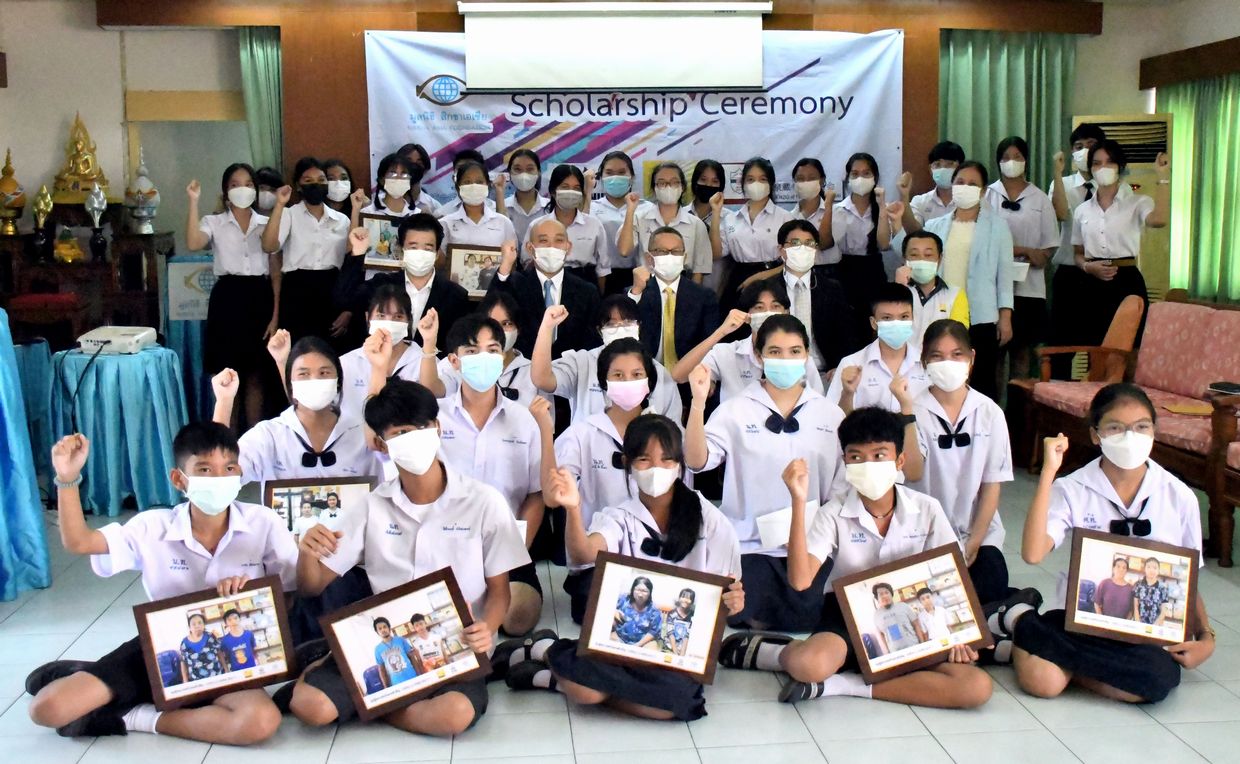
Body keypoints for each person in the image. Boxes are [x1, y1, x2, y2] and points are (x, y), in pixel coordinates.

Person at [286, 379, 529, 735]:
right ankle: (362, 685)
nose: (412, 438)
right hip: (381, 645)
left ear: (437, 428)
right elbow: (312, 586)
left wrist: (488, 627)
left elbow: (499, 591)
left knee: (454, 715)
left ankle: (371, 703)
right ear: (383, 444)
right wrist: (307, 553)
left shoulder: (484, 501)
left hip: (455, 645)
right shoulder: (371, 507)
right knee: (310, 707)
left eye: (421, 428)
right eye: (400, 433)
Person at [26, 424, 296, 742]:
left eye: (229, 468)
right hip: (161, 650)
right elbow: (80, 542)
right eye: (204, 469)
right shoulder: (153, 527)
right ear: (179, 479)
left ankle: (132, 715)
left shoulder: (264, 522)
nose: (219, 478)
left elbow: (290, 595)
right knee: (47, 709)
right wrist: (67, 478)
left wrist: (248, 594)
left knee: (260, 722)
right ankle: (96, 680)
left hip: (227, 661)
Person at [720, 408, 991, 707]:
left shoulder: (927, 508)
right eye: (857, 457)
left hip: (911, 614)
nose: (868, 465)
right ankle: (774, 652)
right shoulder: (832, 512)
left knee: (975, 687)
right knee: (809, 665)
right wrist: (798, 501)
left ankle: (837, 685)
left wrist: (961, 635)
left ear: (899, 461)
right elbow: (800, 581)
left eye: (879, 455)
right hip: (847, 614)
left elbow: (951, 575)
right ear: (845, 462)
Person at [504, 413, 744, 721]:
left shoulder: (710, 520)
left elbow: (726, 593)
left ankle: (551, 674)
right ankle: (550, 654)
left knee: (676, 704)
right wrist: (574, 509)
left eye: (667, 459)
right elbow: (584, 554)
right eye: (644, 459)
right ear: (627, 463)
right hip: (622, 644)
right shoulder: (621, 516)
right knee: (588, 692)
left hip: (674, 651)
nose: (656, 469)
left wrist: (733, 601)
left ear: (680, 465)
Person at [994, 383, 1213, 703]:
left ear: (1154, 430)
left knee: (1155, 680)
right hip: (1079, 623)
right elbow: (1032, 553)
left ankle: (1048, 651)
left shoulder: (1179, 496)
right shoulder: (1074, 487)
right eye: (1115, 428)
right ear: (1095, 435)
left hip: (1141, 633)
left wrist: (1206, 636)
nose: (1130, 437)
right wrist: (1048, 474)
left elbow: (1189, 578)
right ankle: (1025, 622)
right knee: (1043, 684)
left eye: (1141, 427)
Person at [684, 315, 860, 631]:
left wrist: (818, 536)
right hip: (751, 543)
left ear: (807, 354)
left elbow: (839, 489)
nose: (785, 359)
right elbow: (697, 462)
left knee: (810, 616)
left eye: (795, 351)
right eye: (775, 352)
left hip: (810, 544)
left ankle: (766, 647)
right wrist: (697, 405)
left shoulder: (829, 414)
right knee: (739, 611)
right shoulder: (736, 409)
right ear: (759, 355)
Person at [393, 313, 545, 635]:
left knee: (518, 616)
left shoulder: (524, 421)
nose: (484, 358)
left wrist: (517, 550)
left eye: (492, 350)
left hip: (503, 543)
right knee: (436, 619)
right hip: (444, 542)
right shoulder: (434, 419)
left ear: (502, 358)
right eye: (472, 351)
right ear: (454, 361)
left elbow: (535, 495)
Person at [542, 340, 671, 622]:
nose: (627, 382)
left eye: (636, 375)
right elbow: (552, 497)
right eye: (618, 375)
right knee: (602, 616)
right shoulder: (582, 433)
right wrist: (544, 431)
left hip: (656, 558)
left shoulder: (666, 433)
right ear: (604, 382)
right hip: (597, 556)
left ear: (649, 382)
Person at [906, 319, 1013, 605]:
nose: (947, 364)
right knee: (931, 601)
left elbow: (992, 484)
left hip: (978, 530)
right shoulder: (913, 410)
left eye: (957, 355)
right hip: (924, 533)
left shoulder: (990, 412)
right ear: (924, 362)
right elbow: (912, 473)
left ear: (972, 358)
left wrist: (975, 541)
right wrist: (905, 415)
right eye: (937, 356)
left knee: (989, 589)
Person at [893, 161, 1013, 400]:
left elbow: (1005, 274)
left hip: (981, 315)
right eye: (960, 182)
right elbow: (910, 251)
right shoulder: (936, 224)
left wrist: (1005, 317)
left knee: (981, 380)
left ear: (983, 190)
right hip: (943, 311)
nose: (965, 187)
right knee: (940, 379)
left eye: (972, 184)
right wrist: (902, 205)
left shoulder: (998, 227)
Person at [213, 336, 383, 489]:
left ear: (338, 381)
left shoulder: (361, 435)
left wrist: (379, 368)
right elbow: (221, 478)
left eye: (324, 373)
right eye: (304, 374)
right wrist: (224, 402)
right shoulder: (268, 435)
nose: (314, 380)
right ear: (290, 384)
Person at [186, 163, 279, 431]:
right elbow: (193, 243)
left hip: (259, 297)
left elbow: (275, 272)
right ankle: (228, 439)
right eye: (235, 184)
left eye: (248, 184)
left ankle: (254, 439)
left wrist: (274, 316)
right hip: (227, 299)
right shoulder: (214, 222)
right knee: (228, 376)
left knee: (256, 376)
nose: (243, 189)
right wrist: (193, 201)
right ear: (226, 191)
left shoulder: (266, 223)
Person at [1065, 141, 1170, 351]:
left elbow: (1158, 220)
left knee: (1129, 346)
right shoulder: (1082, 210)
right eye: (1097, 163)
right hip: (1092, 281)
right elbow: (1077, 253)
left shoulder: (1137, 202)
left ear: (1120, 167)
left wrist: (1163, 177)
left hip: (1126, 280)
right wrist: (1087, 267)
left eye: (1109, 162)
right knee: (1094, 347)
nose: (1103, 168)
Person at [532, 297, 682, 423]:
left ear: (639, 326)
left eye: (628, 322)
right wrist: (547, 328)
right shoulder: (582, 362)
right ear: (600, 330)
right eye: (611, 324)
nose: (620, 328)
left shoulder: (658, 372)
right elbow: (541, 379)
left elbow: (673, 432)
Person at [672, 279, 825, 401]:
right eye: (759, 307)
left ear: (786, 312)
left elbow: (818, 404)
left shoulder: (798, 357)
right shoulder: (727, 353)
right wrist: (720, 332)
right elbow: (678, 375)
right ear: (747, 314)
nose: (768, 313)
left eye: (775, 306)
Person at [337, 213, 470, 353]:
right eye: (413, 247)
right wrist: (357, 254)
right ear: (401, 250)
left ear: (436, 254)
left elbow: (458, 344)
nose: (420, 254)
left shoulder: (456, 295)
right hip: (382, 362)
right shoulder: (381, 285)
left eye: (428, 249)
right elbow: (343, 299)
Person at [260, 157, 353, 348]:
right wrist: (279, 205)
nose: (315, 185)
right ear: (298, 185)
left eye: (321, 180)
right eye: (308, 181)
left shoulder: (342, 220)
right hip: (297, 290)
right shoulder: (289, 214)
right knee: (298, 351)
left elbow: (351, 260)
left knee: (331, 351)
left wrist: (347, 308)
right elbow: (269, 246)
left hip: (332, 289)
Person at [987, 136, 1059, 380]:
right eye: (1006, 157)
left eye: (1017, 157)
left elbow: (1045, 252)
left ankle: (1019, 405)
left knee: (1022, 356)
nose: (1011, 162)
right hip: (993, 288)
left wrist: (1030, 253)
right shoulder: (988, 195)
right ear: (998, 162)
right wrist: (1024, 250)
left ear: (1026, 160)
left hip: (1029, 290)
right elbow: (983, 244)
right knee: (994, 357)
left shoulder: (1039, 198)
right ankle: (993, 404)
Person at [323, 285, 441, 422]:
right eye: (381, 316)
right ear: (368, 318)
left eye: (398, 317)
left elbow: (435, 401)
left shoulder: (426, 360)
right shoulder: (345, 363)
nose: (389, 323)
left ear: (409, 321)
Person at [489, 220, 602, 358]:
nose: (551, 247)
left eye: (559, 240)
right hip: (523, 366)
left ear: (568, 247)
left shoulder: (587, 291)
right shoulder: (515, 285)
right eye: (543, 241)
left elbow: (592, 342)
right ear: (530, 248)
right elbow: (489, 315)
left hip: (572, 368)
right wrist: (505, 266)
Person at [827, 282, 930, 414]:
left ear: (913, 318)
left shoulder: (927, 364)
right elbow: (834, 418)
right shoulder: (851, 363)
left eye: (904, 317)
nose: (896, 324)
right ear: (873, 323)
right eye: (887, 318)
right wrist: (847, 394)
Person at [628, 226, 720, 371]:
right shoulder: (638, 292)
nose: (670, 256)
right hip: (645, 372)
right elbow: (626, 331)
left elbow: (711, 343)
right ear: (649, 258)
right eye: (662, 251)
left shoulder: (704, 297)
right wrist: (636, 292)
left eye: (676, 251)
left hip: (689, 373)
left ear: (685, 257)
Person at [617, 162, 715, 290]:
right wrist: (630, 210)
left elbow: (699, 271)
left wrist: (692, 296)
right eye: (662, 183)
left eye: (674, 182)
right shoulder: (639, 218)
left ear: (683, 187)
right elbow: (624, 251)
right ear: (654, 188)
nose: (668, 187)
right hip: (647, 284)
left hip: (683, 285)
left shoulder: (696, 224)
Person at [824, 152, 893, 315]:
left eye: (866, 173)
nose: (860, 179)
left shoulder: (884, 208)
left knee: (873, 319)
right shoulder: (838, 210)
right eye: (855, 174)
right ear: (848, 178)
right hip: (844, 270)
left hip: (874, 271)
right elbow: (826, 244)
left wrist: (882, 206)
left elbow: (883, 244)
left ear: (875, 177)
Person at [720, 157, 795, 305]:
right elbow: (718, 253)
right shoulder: (731, 218)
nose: (756, 184)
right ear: (743, 184)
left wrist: (761, 276)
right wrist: (716, 213)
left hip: (775, 278)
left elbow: (793, 260)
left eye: (762, 179)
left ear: (771, 183)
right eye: (750, 179)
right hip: (739, 279)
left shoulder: (785, 217)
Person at [521, 164, 609, 290]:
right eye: (565, 187)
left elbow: (602, 269)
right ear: (553, 191)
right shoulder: (537, 225)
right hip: (546, 282)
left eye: (576, 188)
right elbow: (526, 263)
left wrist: (598, 295)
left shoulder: (594, 224)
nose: (571, 192)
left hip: (584, 282)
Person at [892, 229, 970, 342]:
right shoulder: (892, 291)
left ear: (940, 258)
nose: (921, 260)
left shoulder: (955, 294)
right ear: (905, 259)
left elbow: (958, 337)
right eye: (914, 255)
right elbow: (888, 329)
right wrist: (898, 289)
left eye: (928, 255)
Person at [593, 150, 651, 295]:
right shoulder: (591, 208)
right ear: (601, 177)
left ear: (632, 177)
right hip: (601, 276)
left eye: (621, 172)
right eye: (609, 173)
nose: (615, 177)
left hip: (637, 274)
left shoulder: (647, 208)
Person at [440, 160, 517, 252]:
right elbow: (441, 258)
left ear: (488, 185)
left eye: (479, 182)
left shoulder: (504, 222)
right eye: (467, 182)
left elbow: (512, 255)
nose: (474, 186)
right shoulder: (445, 223)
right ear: (458, 187)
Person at [899, 140, 965, 231]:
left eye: (949, 164)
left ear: (961, 168)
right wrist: (904, 196)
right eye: (937, 165)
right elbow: (914, 232)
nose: (943, 169)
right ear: (930, 170)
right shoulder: (920, 202)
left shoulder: (970, 199)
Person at [789, 157, 840, 272]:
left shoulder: (837, 212)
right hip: (798, 272)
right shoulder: (789, 217)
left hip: (828, 273)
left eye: (812, 178)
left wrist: (828, 206)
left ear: (822, 180)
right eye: (800, 179)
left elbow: (824, 243)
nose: (806, 183)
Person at [434, 149, 498, 220]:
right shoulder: (442, 214)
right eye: (461, 169)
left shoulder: (496, 210)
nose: (467, 173)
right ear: (454, 178)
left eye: (472, 168)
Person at [502, 149, 549, 244]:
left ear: (538, 172)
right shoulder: (502, 207)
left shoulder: (550, 207)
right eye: (517, 169)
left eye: (530, 169)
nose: (523, 175)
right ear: (509, 173)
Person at [871, 583, 924, 652]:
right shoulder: (876, 615)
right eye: (881, 594)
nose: (885, 596)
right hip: (895, 653)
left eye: (887, 592)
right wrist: (887, 653)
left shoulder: (903, 606)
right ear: (877, 598)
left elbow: (916, 624)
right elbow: (881, 636)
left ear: (891, 594)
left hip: (914, 647)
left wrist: (922, 644)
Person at [395, 143, 443, 216]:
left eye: (419, 163)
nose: (413, 167)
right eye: (408, 162)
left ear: (425, 170)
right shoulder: (382, 202)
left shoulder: (434, 207)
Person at [373, 617, 419, 688]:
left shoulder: (401, 640)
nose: (383, 630)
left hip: (412, 677)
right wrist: (386, 687)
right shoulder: (377, 649)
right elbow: (381, 670)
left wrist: (419, 674)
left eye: (385, 627)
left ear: (389, 628)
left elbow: (412, 658)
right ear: (377, 632)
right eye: (380, 628)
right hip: (396, 684)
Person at [179, 614, 225, 683]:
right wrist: (185, 680)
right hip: (197, 681)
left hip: (216, 677)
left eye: (200, 623)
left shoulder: (211, 637)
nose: (197, 626)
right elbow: (183, 662)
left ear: (204, 625)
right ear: (189, 627)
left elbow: (219, 653)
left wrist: (226, 669)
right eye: (193, 624)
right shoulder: (185, 643)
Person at [1133, 557, 1170, 625]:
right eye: (1148, 567)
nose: (1152, 570)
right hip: (1138, 624)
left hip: (1155, 625)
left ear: (1158, 570)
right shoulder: (1138, 584)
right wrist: (1138, 624)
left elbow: (1163, 611)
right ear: (1145, 569)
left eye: (1155, 568)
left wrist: (1154, 627)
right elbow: (1135, 606)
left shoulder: (1163, 588)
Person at [663, 589, 696, 655]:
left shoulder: (692, 616)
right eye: (683, 597)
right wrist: (675, 652)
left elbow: (687, 636)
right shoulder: (672, 613)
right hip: (670, 646)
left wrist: (682, 654)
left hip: (684, 648)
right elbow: (670, 633)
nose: (685, 600)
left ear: (692, 602)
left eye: (688, 598)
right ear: (679, 598)